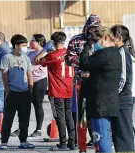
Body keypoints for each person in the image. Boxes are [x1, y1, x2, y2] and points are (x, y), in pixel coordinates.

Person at [79, 27, 122, 153]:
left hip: (101, 102)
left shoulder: (106, 53)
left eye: (96, 40)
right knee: (101, 136)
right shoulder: (114, 53)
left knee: (101, 136)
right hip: (104, 101)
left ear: (104, 38)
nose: (95, 44)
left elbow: (84, 62)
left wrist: (87, 45)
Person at [65, 14, 101, 152]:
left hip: (99, 83)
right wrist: (82, 64)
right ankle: (82, 146)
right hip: (82, 82)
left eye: (96, 27)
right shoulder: (76, 40)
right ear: (87, 27)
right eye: (91, 27)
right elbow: (68, 58)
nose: (93, 30)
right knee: (83, 116)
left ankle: (98, 142)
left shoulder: (103, 40)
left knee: (98, 114)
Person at [38, 32, 75, 151]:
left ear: (53, 43)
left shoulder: (52, 55)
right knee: (69, 115)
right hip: (69, 88)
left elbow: (37, 60)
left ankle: (63, 143)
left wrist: (44, 49)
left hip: (57, 90)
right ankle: (72, 142)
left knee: (60, 116)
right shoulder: (70, 53)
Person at [0, 34, 34, 150]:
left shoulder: (26, 58)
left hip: (25, 92)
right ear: (16, 46)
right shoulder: (7, 58)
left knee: (24, 119)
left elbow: (30, 73)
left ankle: (23, 141)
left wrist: (31, 88)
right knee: (8, 118)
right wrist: (7, 91)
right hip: (12, 93)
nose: (25, 47)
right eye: (23, 45)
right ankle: (4, 141)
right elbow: (4, 75)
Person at [110, 25, 135, 152]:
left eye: (112, 35)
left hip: (122, 97)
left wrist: (114, 93)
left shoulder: (122, 52)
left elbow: (123, 78)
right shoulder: (118, 51)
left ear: (119, 37)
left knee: (124, 132)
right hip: (119, 98)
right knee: (117, 132)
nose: (110, 38)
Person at [28, 34, 47, 137]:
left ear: (39, 42)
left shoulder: (44, 53)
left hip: (40, 81)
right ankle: (22, 127)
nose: (30, 42)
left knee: (37, 104)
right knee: (25, 105)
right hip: (29, 81)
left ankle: (38, 129)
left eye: (33, 40)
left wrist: (42, 52)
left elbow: (34, 64)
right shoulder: (30, 53)